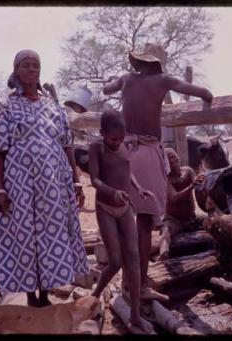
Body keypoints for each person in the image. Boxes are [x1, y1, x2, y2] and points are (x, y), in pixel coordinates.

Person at [103, 51, 213, 300]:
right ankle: (140, 286)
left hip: (122, 151)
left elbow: (107, 90)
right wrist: (207, 95)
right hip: (146, 151)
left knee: (125, 218)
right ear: (157, 63)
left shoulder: (126, 79)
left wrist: (112, 82)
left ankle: (128, 284)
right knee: (143, 222)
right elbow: (200, 91)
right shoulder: (163, 80)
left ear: (138, 62)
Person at [0, 49, 89, 307]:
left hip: (54, 183)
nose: (32, 69)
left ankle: (46, 293)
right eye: (26, 65)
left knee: (52, 233)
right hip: (19, 183)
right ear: (16, 70)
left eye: (36, 65)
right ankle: (31, 295)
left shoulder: (53, 107)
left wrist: (76, 180)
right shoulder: (3, 108)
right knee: (24, 233)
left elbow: (67, 146)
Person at [88, 110, 155, 334]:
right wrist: (112, 192)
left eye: (121, 138)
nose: (117, 143)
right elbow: (94, 180)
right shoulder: (96, 147)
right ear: (102, 133)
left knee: (133, 259)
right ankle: (95, 295)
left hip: (125, 207)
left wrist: (139, 188)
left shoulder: (124, 145)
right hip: (105, 207)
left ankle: (135, 315)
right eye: (113, 139)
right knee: (115, 261)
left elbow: (128, 172)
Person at [157, 148, 205, 261]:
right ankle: (164, 253)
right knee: (166, 231)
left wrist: (202, 180)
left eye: (174, 157)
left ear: (178, 157)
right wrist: (192, 186)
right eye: (169, 159)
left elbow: (198, 185)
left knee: (211, 220)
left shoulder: (188, 171)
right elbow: (173, 198)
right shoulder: (167, 178)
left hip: (192, 217)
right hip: (174, 219)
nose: (173, 161)